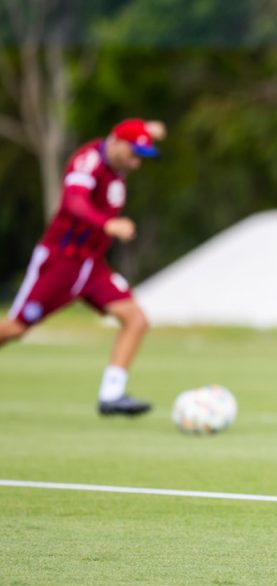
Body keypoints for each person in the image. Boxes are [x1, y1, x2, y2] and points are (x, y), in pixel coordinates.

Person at [1, 118, 165, 416]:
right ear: (116, 143)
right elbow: (73, 203)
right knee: (15, 328)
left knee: (136, 319)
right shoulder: (88, 161)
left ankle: (111, 396)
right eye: (133, 154)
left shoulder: (118, 162)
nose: (135, 163)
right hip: (61, 261)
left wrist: (146, 130)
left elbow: (128, 131)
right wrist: (107, 224)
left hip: (92, 266)